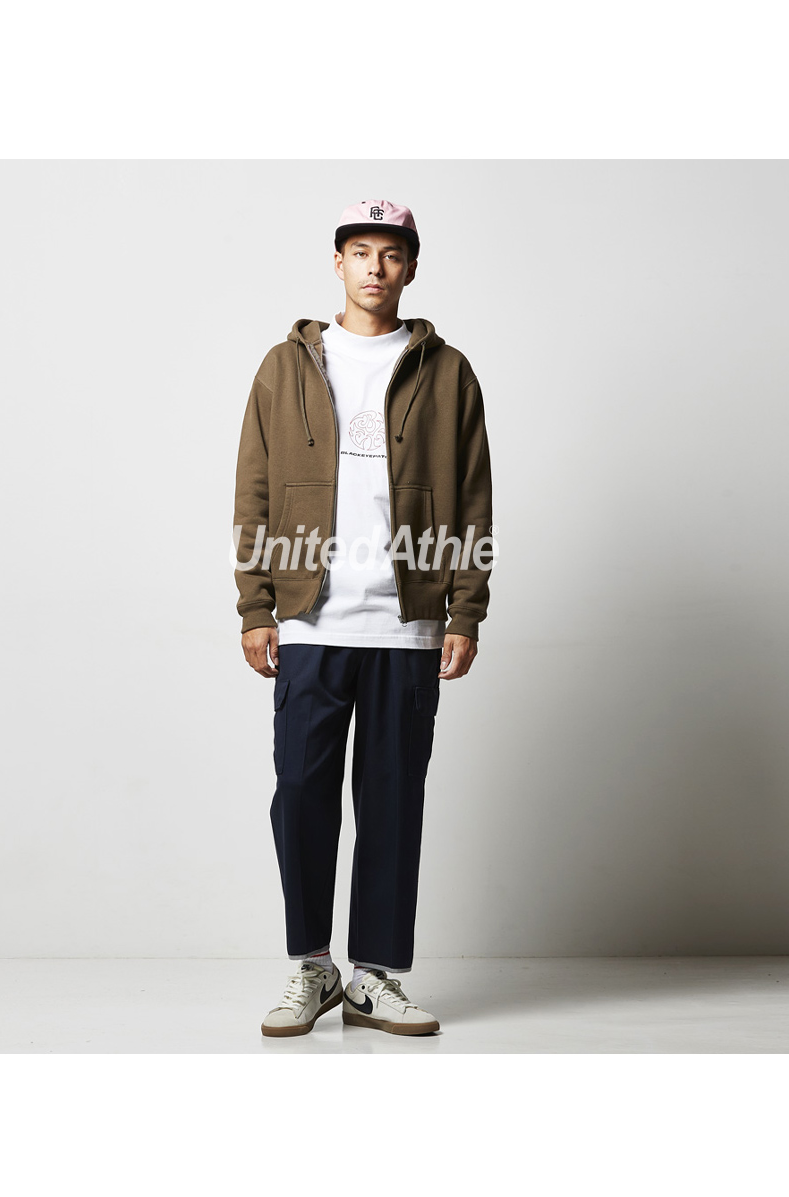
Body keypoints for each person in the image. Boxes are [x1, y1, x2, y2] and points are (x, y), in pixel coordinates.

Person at [232, 199, 494, 1038]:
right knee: (301, 795)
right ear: (338, 262)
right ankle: (313, 966)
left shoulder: (448, 372)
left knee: (391, 803)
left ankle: (375, 976)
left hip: (407, 624)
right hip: (309, 621)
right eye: (360, 252)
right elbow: (255, 490)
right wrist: (256, 603)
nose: (375, 268)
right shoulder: (285, 366)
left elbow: (474, 498)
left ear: (411, 267)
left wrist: (465, 609)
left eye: (391, 254)